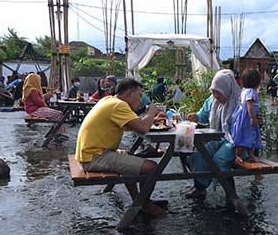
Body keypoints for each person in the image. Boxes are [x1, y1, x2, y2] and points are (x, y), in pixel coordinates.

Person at [75, 78, 165, 217]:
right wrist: (152, 111)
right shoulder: (119, 105)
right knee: (152, 167)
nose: (141, 100)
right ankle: (145, 204)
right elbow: (142, 128)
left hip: (89, 154)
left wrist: (150, 118)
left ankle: (139, 200)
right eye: (139, 95)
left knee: (129, 156)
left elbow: (133, 124)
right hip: (95, 157)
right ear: (129, 94)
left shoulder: (108, 100)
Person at [183, 70, 241, 200]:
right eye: (213, 91)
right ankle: (200, 188)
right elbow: (203, 114)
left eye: (218, 92)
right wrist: (196, 116)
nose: (215, 95)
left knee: (219, 159)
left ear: (226, 89)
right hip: (217, 139)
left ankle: (231, 195)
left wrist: (240, 148)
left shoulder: (238, 102)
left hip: (234, 141)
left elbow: (243, 129)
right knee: (199, 155)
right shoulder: (212, 100)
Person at [232, 69, 263, 164]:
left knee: (243, 137)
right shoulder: (251, 92)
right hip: (247, 119)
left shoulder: (244, 91)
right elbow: (249, 105)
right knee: (250, 136)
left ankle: (248, 155)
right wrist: (253, 118)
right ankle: (242, 155)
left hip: (242, 118)